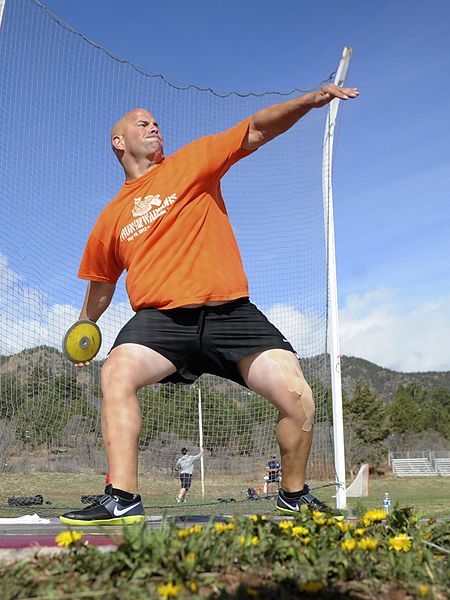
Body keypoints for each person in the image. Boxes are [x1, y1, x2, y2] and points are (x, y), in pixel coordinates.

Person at [59, 81, 359, 526]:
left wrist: (308, 101)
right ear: (119, 142)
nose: (155, 126)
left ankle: (294, 497)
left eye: (157, 122)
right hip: (161, 320)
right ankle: (121, 498)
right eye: (143, 123)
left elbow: (255, 129)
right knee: (116, 370)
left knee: (298, 395)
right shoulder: (111, 218)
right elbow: (102, 283)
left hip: (230, 312)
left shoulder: (194, 161)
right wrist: (85, 326)